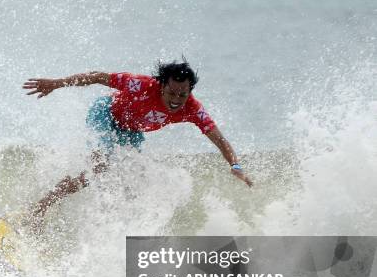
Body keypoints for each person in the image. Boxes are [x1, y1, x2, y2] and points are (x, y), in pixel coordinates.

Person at [22, 60, 252, 223]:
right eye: (172, 93)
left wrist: (235, 166)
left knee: (129, 178)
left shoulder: (192, 109)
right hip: (106, 114)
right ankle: (39, 209)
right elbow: (97, 77)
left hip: (131, 132)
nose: (176, 100)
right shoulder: (141, 84)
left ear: (189, 91)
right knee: (100, 166)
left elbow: (219, 138)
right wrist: (57, 83)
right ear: (162, 85)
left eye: (182, 95)